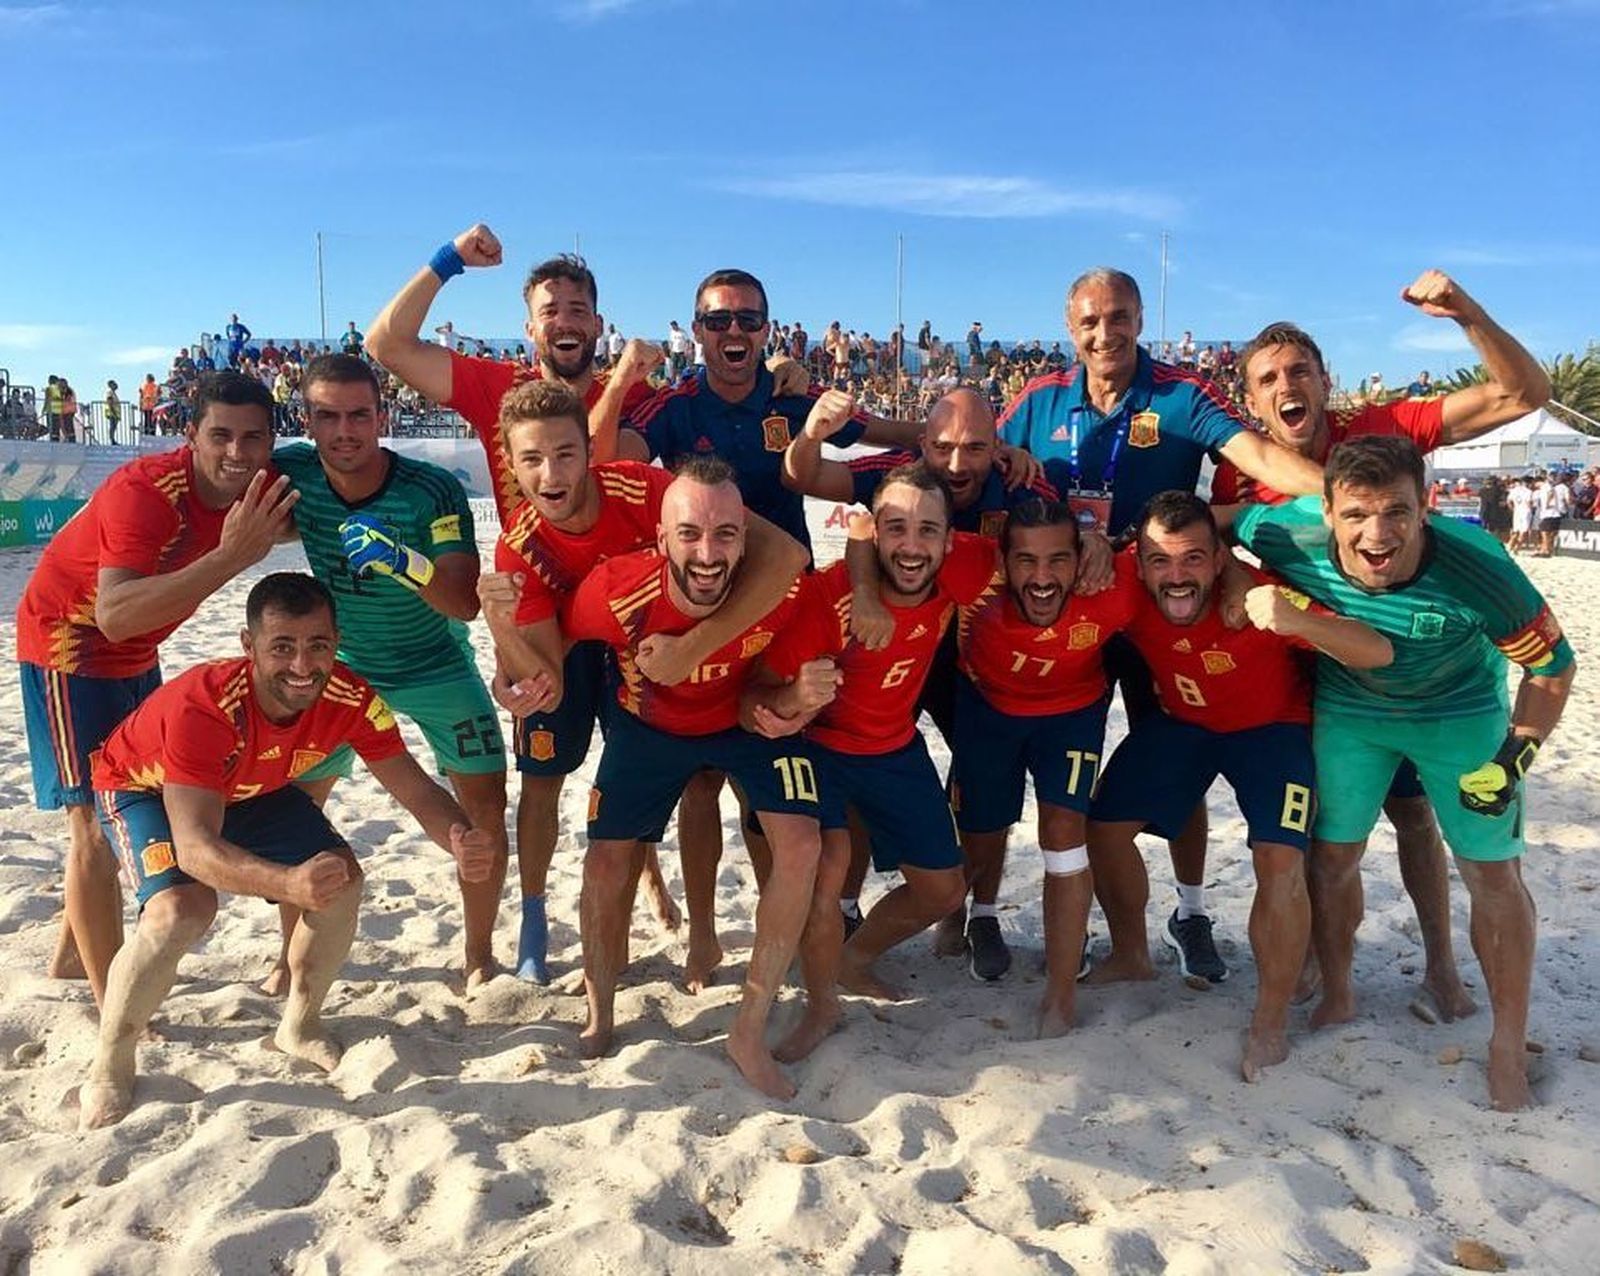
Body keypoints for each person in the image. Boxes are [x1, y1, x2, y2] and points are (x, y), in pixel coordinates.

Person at [77, 573, 499, 1129]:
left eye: (317, 645)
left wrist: (458, 838)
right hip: (144, 788)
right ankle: (110, 1060)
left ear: (335, 641)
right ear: (248, 647)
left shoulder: (352, 697)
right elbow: (198, 850)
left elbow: (416, 789)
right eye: (282, 647)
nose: (303, 665)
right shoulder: (203, 707)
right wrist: (286, 886)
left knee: (342, 879)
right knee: (182, 909)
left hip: (250, 786)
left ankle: (299, 1024)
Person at [996, 267, 1323, 983]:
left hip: (1154, 603)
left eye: (1118, 317)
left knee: (1176, 751)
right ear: (1069, 324)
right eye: (1089, 321)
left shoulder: (1181, 394)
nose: (1104, 333)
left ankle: (1193, 907)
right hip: (1072, 605)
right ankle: (1074, 921)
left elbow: (1256, 457)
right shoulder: (1037, 401)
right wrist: (1006, 458)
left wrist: (1341, 493)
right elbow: (970, 454)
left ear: (1140, 318)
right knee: (1069, 768)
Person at [1234, 436, 1576, 1111]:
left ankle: (1507, 1045)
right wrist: (1241, 581)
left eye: (1396, 512)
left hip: (1462, 710)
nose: (1377, 533)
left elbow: (1552, 669)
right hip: (1352, 709)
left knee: (1491, 873)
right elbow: (1219, 523)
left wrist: (1517, 756)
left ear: (1427, 508)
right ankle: (1338, 989)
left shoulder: (1481, 568)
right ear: (1325, 511)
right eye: (1357, 514)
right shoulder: (1284, 531)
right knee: (1331, 858)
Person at [475, 379, 807, 987]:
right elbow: (544, 675)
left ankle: (704, 928)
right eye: (532, 458)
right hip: (585, 633)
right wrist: (505, 641)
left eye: (566, 453)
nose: (551, 472)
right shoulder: (518, 547)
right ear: (510, 463)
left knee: (705, 781)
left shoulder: (639, 486)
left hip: (661, 643)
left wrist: (693, 648)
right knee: (545, 776)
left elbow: (784, 556)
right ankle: (533, 916)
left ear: (588, 451)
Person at [1085, 492, 1391, 1079]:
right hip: (1186, 723)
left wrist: (1294, 618)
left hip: (1272, 730)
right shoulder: (1126, 579)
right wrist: (1095, 541)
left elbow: (1375, 649)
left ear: (1220, 559)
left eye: (1193, 559)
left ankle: (1269, 1021)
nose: (1175, 576)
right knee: (1102, 827)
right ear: (1140, 560)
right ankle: (1131, 954)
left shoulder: (1258, 597)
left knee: (1280, 860)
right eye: (1160, 561)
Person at [16, 371, 296, 1005]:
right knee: (93, 821)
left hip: (141, 650)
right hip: (71, 647)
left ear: (272, 442)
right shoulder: (145, 492)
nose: (236, 452)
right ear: (190, 434)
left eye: (253, 438)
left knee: (131, 794)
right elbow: (114, 613)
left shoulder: (261, 486)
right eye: (220, 435)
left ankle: (67, 952)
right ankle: (111, 993)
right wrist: (231, 557)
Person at [561, 458, 822, 1099]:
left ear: (746, 536)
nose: (708, 553)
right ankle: (600, 1009)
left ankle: (748, 1029)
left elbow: (785, 679)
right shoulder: (614, 589)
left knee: (804, 844)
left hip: (741, 722)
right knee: (603, 862)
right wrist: (513, 677)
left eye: (726, 534)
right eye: (689, 535)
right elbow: (553, 642)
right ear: (661, 539)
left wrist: (795, 702)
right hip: (648, 727)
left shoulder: (781, 589)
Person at [269, 354, 509, 990]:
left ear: (383, 415)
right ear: (306, 419)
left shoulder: (430, 488)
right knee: (297, 808)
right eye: (327, 416)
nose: (344, 430)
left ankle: (479, 954)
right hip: (342, 667)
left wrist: (404, 561)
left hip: (434, 660)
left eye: (358, 415)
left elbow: (464, 602)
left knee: (485, 809)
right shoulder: (290, 470)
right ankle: (286, 956)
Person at [746, 464, 995, 1009]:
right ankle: (808, 972)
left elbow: (1034, 555)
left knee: (944, 889)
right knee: (823, 876)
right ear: (874, 532)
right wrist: (793, 701)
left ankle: (853, 959)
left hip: (894, 746)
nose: (912, 545)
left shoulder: (961, 567)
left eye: (928, 530)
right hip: (821, 748)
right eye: (896, 528)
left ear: (950, 541)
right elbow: (754, 698)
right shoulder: (824, 600)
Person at [948, 499, 1143, 1021]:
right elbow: (886, 545)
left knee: (1063, 832)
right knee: (983, 831)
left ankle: (1060, 994)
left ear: (1081, 559)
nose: (1041, 576)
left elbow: (1198, 556)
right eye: (1026, 560)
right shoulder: (969, 565)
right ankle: (979, 916)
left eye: (1059, 559)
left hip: (1073, 716)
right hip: (987, 707)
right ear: (1002, 559)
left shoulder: (1114, 584)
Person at [1534, 469, 1570, 557]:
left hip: (1550, 513)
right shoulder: (1546, 487)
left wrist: (1547, 503)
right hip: (1550, 514)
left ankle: (1546, 550)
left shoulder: (1546, 486)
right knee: (1548, 533)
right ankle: (1546, 549)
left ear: (1538, 482)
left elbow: (1551, 492)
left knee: (1544, 533)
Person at [1507, 475, 1535, 553]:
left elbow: (1509, 501)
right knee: (1523, 531)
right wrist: (1532, 509)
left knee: (1515, 530)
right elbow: (1528, 502)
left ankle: (1510, 546)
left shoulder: (1514, 490)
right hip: (1525, 512)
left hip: (1517, 511)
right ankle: (1517, 548)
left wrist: (1513, 509)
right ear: (1529, 483)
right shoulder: (1529, 491)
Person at [104, 380, 121, 445]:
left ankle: (113, 439)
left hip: (114, 413)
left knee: (113, 427)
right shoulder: (110, 392)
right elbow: (109, 401)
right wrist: (113, 412)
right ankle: (112, 440)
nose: (116, 385)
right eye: (114, 384)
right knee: (112, 427)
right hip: (112, 413)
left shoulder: (113, 393)